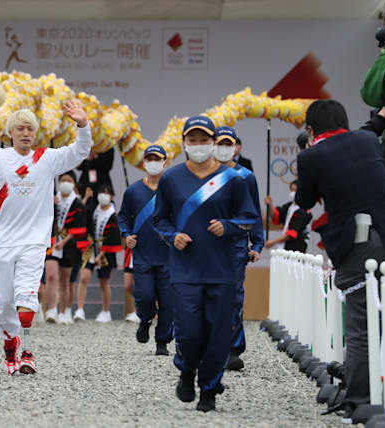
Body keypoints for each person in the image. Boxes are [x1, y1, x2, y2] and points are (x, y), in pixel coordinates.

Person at [0, 99, 90, 375]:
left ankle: (28, 353)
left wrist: (83, 125)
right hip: (2, 242)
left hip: (34, 241)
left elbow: (80, 151)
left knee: (27, 298)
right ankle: (10, 344)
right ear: (11, 133)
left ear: (35, 132)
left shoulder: (47, 159)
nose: (25, 133)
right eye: (20, 128)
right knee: (4, 303)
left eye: (30, 128)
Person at [295, 100, 385, 418]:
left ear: (310, 130)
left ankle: (359, 398)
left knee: (361, 327)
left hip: (359, 245)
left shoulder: (310, 157)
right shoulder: (367, 140)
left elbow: (304, 200)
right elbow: (377, 122)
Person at [152, 115, 257, 412]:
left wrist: (229, 226)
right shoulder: (171, 179)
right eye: (192, 140)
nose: (198, 145)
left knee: (217, 334)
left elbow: (249, 218)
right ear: (184, 143)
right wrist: (172, 237)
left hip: (222, 270)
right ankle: (187, 371)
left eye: (204, 140)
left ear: (213, 142)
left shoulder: (233, 179)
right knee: (188, 331)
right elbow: (159, 220)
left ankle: (209, 391)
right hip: (185, 269)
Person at [213, 127, 265, 371]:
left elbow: (253, 213)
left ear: (235, 147)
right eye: (219, 143)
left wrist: (257, 243)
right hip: (208, 246)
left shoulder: (246, 176)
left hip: (235, 246)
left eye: (228, 144)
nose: (224, 148)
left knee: (232, 297)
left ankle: (231, 349)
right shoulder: (203, 176)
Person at [118, 144, 174, 355]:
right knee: (144, 295)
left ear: (165, 163)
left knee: (168, 302)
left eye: (157, 159)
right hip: (142, 254)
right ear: (144, 162)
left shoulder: (172, 191)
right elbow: (123, 217)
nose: (153, 163)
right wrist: (127, 234)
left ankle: (162, 342)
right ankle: (145, 319)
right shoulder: (133, 191)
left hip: (168, 255)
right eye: (149, 159)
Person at [75, 184, 121, 323]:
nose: (103, 196)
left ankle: (106, 311)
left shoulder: (113, 215)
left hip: (106, 250)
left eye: (106, 193)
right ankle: (79, 309)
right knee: (84, 277)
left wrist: (101, 255)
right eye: (101, 192)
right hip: (91, 248)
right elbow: (80, 213)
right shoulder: (93, 209)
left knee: (103, 282)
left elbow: (113, 236)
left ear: (111, 197)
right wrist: (86, 197)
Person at [47, 171, 86, 323]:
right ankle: (51, 310)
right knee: (51, 276)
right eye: (63, 180)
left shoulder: (77, 204)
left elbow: (79, 228)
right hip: (52, 242)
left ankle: (63, 312)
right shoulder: (52, 199)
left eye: (68, 180)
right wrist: (51, 204)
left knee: (65, 281)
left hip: (69, 246)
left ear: (74, 184)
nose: (65, 183)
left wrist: (63, 242)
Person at [264, 180, 312, 252]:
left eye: (295, 190)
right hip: (285, 248)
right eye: (291, 190)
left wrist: (273, 242)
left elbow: (291, 234)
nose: (293, 193)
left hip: (297, 250)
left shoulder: (305, 211)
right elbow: (276, 217)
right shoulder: (289, 206)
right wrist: (270, 204)